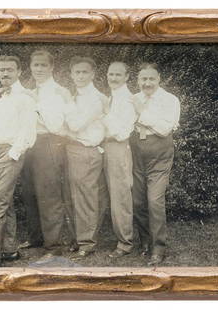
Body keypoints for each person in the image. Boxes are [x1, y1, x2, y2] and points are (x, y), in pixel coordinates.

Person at [0, 55, 37, 267]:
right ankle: (9, 250)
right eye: (1, 70)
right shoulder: (2, 98)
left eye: (9, 70)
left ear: (19, 72)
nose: (4, 73)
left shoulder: (25, 98)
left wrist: (13, 154)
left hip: (9, 154)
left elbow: (28, 132)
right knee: (6, 204)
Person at [130, 63, 180, 266]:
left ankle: (158, 248)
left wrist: (142, 114)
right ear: (138, 80)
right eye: (143, 79)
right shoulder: (133, 98)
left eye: (151, 79)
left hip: (159, 152)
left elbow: (164, 129)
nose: (147, 83)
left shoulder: (169, 100)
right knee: (137, 201)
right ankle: (145, 242)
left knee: (154, 201)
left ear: (159, 79)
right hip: (136, 151)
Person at [28, 50, 77, 257]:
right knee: (29, 192)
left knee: (49, 194)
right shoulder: (30, 91)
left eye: (42, 65)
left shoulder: (60, 92)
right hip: (30, 142)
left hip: (50, 142)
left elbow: (57, 125)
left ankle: (54, 246)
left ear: (51, 68)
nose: (38, 69)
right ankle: (36, 238)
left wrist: (37, 108)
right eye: (35, 65)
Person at [65, 56, 107, 258]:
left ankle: (87, 242)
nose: (80, 76)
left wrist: (67, 129)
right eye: (77, 72)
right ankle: (78, 239)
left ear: (92, 74)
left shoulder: (96, 98)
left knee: (86, 198)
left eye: (84, 72)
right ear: (71, 75)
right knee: (73, 196)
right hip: (72, 149)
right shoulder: (73, 96)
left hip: (87, 150)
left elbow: (74, 125)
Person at [102, 61, 136, 258]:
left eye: (117, 75)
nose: (113, 78)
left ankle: (125, 243)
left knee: (120, 196)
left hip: (118, 147)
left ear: (126, 77)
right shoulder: (111, 97)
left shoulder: (128, 100)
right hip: (104, 146)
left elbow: (122, 133)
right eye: (110, 74)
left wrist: (104, 116)